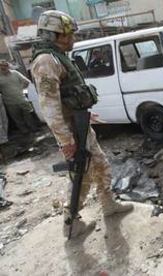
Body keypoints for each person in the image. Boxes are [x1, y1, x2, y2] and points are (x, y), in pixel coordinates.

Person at [31, 10, 133, 239]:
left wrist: (85, 116)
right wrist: (66, 141)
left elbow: (70, 96)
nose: (72, 39)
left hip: (80, 126)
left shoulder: (58, 57)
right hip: (71, 132)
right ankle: (70, 223)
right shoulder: (45, 61)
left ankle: (108, 204)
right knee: (81, 176)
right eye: (67, 35)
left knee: (100, 165)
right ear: (53, 35)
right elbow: (50, 108)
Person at [0, 60, 37, 134]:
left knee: (28, 115)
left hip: (21, 98)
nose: (4, 68)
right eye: (2, 67)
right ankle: (25, 131)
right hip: (9, 102)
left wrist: (21, 88)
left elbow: (27, 81)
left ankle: (33, 129)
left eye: (5, 66)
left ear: (8, 66)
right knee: (17, 118)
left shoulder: (15, 73)